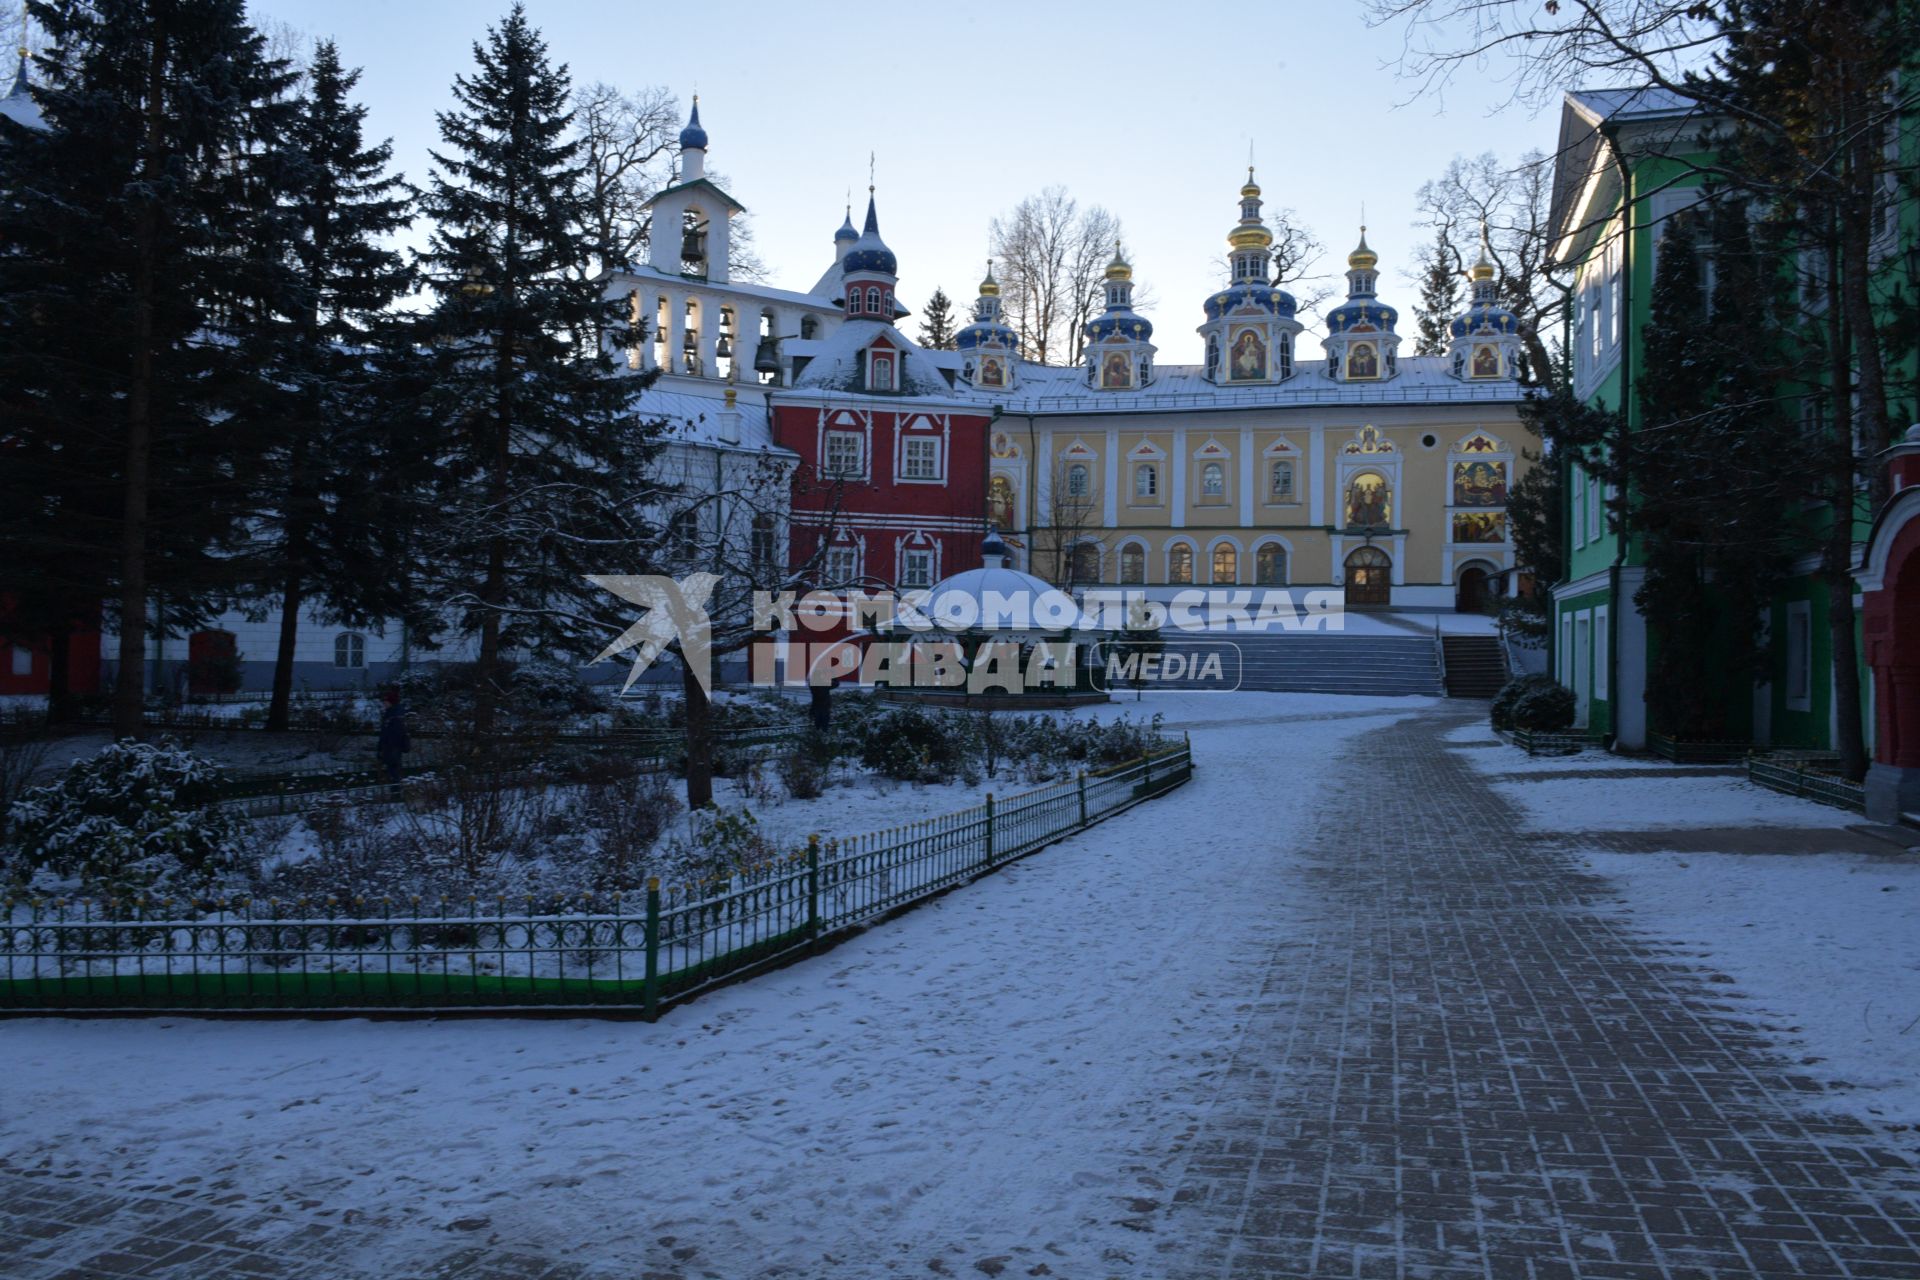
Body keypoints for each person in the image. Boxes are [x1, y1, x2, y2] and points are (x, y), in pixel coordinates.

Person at [377, 688, 409, 784]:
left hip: (393, 749)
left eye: (385, 701)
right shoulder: (390, 714)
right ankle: (396, 792)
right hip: (390, 748)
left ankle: (397, 794)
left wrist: (387, 748)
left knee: (394, 773)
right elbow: (384, 733)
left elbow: (395, 734)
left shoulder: (395, 715)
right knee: (392, 772)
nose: (384, 703)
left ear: (391, 702)